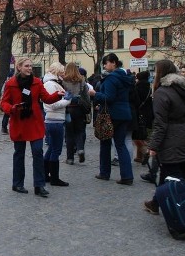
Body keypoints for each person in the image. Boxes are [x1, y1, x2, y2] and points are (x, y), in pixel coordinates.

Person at [0, 57, 64, 197]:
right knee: (19, 154)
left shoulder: (36, 82)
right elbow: (3, 103)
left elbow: (46, 98)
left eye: (31, 66)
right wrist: (12, 108)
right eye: (27, 66)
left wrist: (57, 95)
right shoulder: (11, 84)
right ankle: (17, 184)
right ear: (19, 67)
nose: (30, 68)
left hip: (34, 123)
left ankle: (39, 185)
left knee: (37, 152)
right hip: (19, 122)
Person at [143, 60, 185, 215]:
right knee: (170, 174)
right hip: (182, 134)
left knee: (171, 174)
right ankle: (155, 202)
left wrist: (153, 146)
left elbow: (160, 123)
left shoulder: (162, 92)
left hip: (169, 140)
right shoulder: (181, 90)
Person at [92, 53, 135, 185]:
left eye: (106, 63)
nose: (105, 65)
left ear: (114, 63)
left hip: (111, 115)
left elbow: (108, 97)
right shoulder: (125, 77)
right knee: (120, 145)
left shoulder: (111, 78)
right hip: (124, 113)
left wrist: (95, 94)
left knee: (105, 143)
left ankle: (104, 172)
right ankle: (127, 176)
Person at [42, 62, 72, 186]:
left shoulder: (53, 84)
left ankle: (46, 175)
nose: (64, 74)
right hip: (54, 120)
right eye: (62, 72)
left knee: (51, 149)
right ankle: (54, 178)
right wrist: (67, 100)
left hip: (54, 120)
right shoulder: (50, 85)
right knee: (56, 150)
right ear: (57, 72)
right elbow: (52, 105)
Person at [62, 63, 90, 165]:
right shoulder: (81, 80)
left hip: (68, 108)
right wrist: (87, 107)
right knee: (80, 131)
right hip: (79, 108)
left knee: (69, 134)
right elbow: (86, 95)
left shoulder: (63, 81)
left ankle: (70, 158)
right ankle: (80, 149)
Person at [133, 70, 153, 165]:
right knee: (142, 134)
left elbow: (136, 101)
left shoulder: (138, 87)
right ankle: (139, 156)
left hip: (139, 113)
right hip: (147, 113)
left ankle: (145, 152)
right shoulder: (149, 87)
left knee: (136, 135)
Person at [0, 69, 14, 134]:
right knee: (8, 114)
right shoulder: (10, 82)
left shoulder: (6, 82)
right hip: (9, 100)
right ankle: (5, 128)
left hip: (7, 99)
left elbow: (2, 91)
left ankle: (4, 128)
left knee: (6, 114)